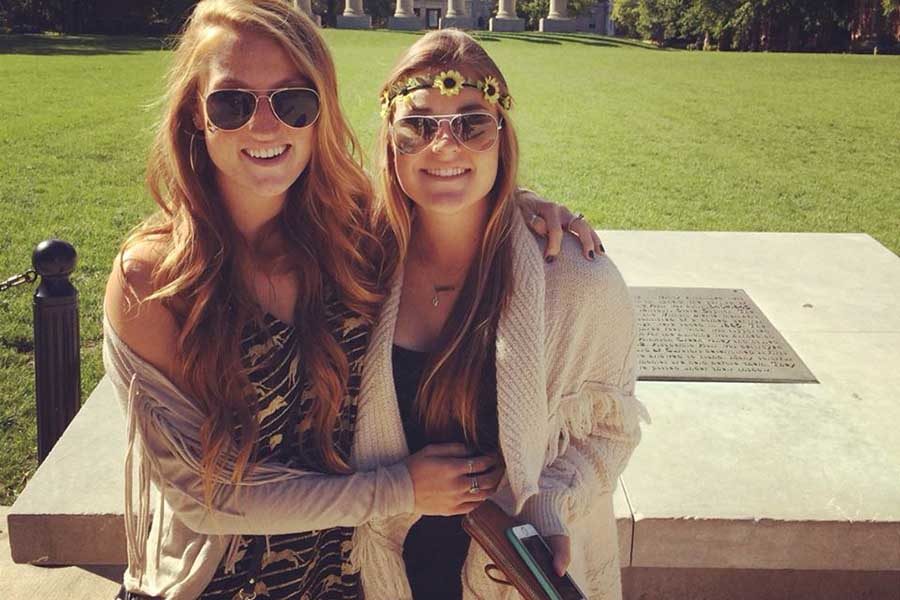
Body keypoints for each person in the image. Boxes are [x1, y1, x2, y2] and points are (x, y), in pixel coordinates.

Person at [102, 1, 599, 598]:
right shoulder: (155, 280)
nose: (266, 126)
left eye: (293, 102)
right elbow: (203, 498)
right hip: (213, 585)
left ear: (319, 114)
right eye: (232, 103)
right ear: (193, 117)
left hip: (346, 579)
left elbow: (437, 178)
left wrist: (520, 206)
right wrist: (398, 490)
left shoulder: (345, 235)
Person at [348, 30, 650, 600]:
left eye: (471, 124)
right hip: (375, 574)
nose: (444, 146)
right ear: (391, 142)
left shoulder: (578, 281)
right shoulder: (352, 268)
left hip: (502, 577)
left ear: (500, 139)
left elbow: (609, 429)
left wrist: (551, 506)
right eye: (418, 125)